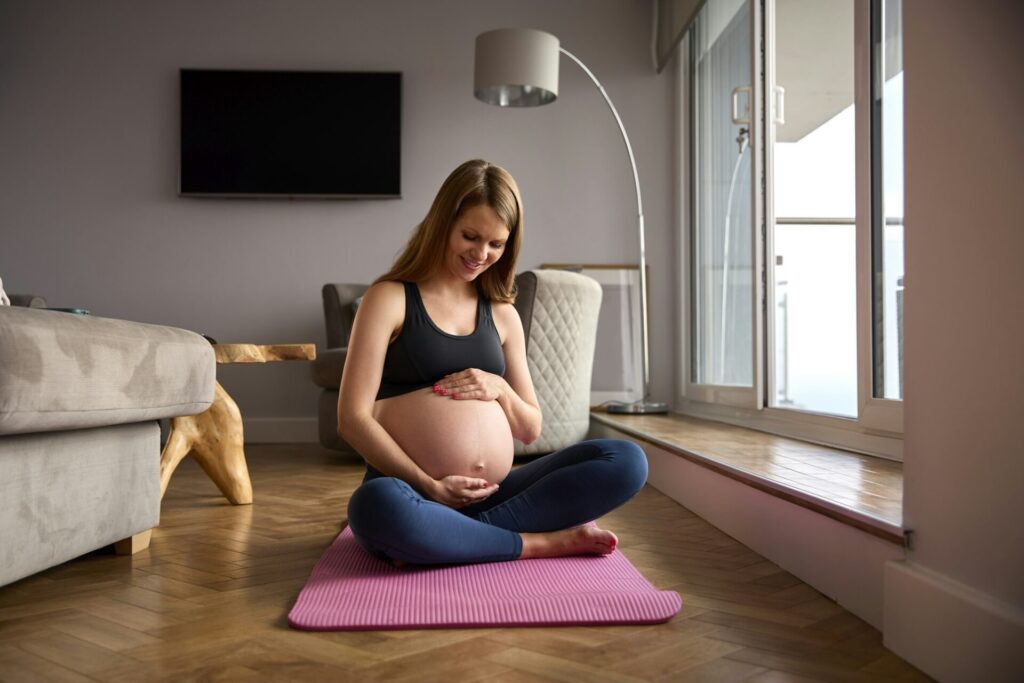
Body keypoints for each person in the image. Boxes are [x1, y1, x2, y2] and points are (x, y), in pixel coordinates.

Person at [338, 159, 648, 565]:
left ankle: (455, 536)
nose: (481, 254)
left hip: (493, 492)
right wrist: (429, 486)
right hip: (409, 491)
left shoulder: (502, 314)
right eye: (470, 236)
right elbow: (351, 418)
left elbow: (530, 428)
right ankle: (536, 543)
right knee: (374, 506)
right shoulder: (390, 298)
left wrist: (499, 387)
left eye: (496, 244)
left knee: (626, 461)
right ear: (442, 223)